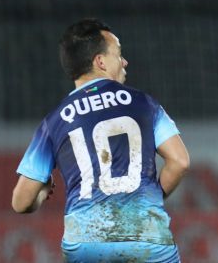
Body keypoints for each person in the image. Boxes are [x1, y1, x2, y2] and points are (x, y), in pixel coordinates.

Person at [12, 18, 190, 262]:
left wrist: (42, 193)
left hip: (86, 243)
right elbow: (180, 161)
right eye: (119, 54)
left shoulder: (54, 121)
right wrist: (149, 200)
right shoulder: (144, 104)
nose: (124, 61)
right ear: (101, 62)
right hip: (145, 236)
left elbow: (20, 202)